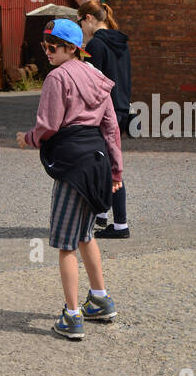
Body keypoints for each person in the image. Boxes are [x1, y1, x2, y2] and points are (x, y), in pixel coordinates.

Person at [16, 18, 122, 340]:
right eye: (44, 46)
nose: (47, 52)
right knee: (85, 235)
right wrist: (116, 170)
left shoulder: (57, 78)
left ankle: (72, 315)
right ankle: (100, 299)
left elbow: (48, 125)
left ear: (72, 48)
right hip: (97, 162)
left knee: (64, 244)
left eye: (53, 47)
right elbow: (111, 128)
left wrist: (28, 139)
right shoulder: (99, 77)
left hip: (71, 166)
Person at [77, 0, 132, 239]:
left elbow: (91, 84)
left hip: (103, 111)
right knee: (108, 161)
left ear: (88, 19)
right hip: (121, 107)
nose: (80, 29)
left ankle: (120, 224)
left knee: (107, 166)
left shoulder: (96, 45)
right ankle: (102, 215)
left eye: (80, 22)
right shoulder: (120, 41)